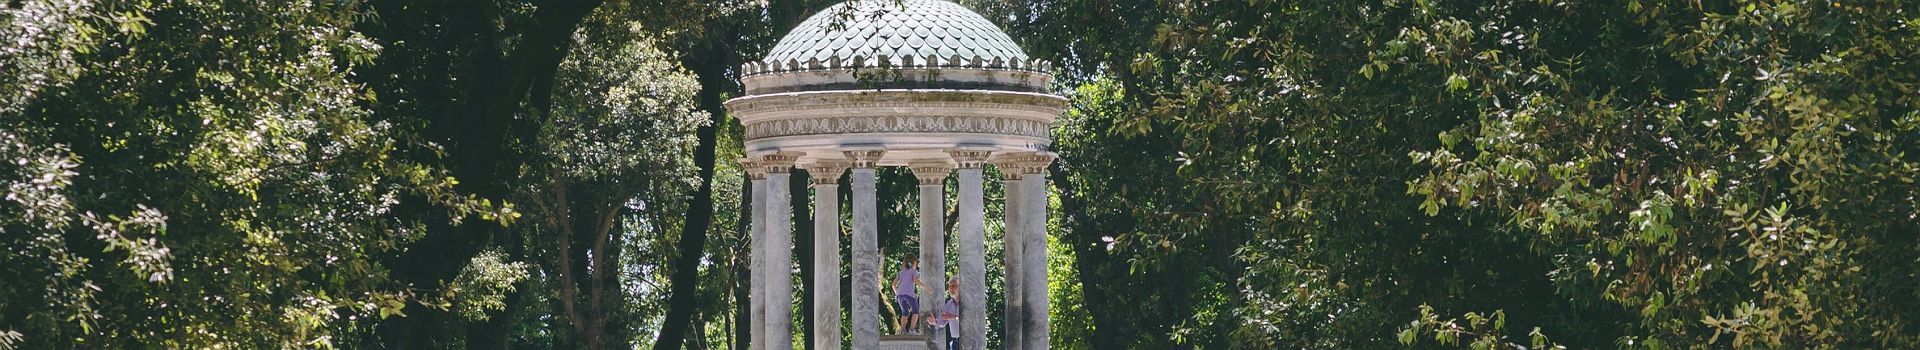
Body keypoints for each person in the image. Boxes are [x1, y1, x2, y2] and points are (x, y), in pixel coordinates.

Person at [928, 277, 960, 349]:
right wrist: (935, 322)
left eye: (953, 286)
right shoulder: (949, 304)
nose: (950, 289)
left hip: (968, 340)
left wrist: (951, 316)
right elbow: (943, 320)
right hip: (955, 342)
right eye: (949, 286)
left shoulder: (967, 303)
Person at [893, 255, 922, 334]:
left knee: (905, 312)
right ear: (913, 263)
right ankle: (911, 330)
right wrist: (926, 287)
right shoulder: (914, 271)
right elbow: (915, 281)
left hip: (900, 295)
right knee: (916, 311)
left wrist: (897, 293)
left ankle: (902, 330)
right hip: (909, 294)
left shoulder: (900, 273)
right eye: (916, 263)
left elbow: (893, 285)